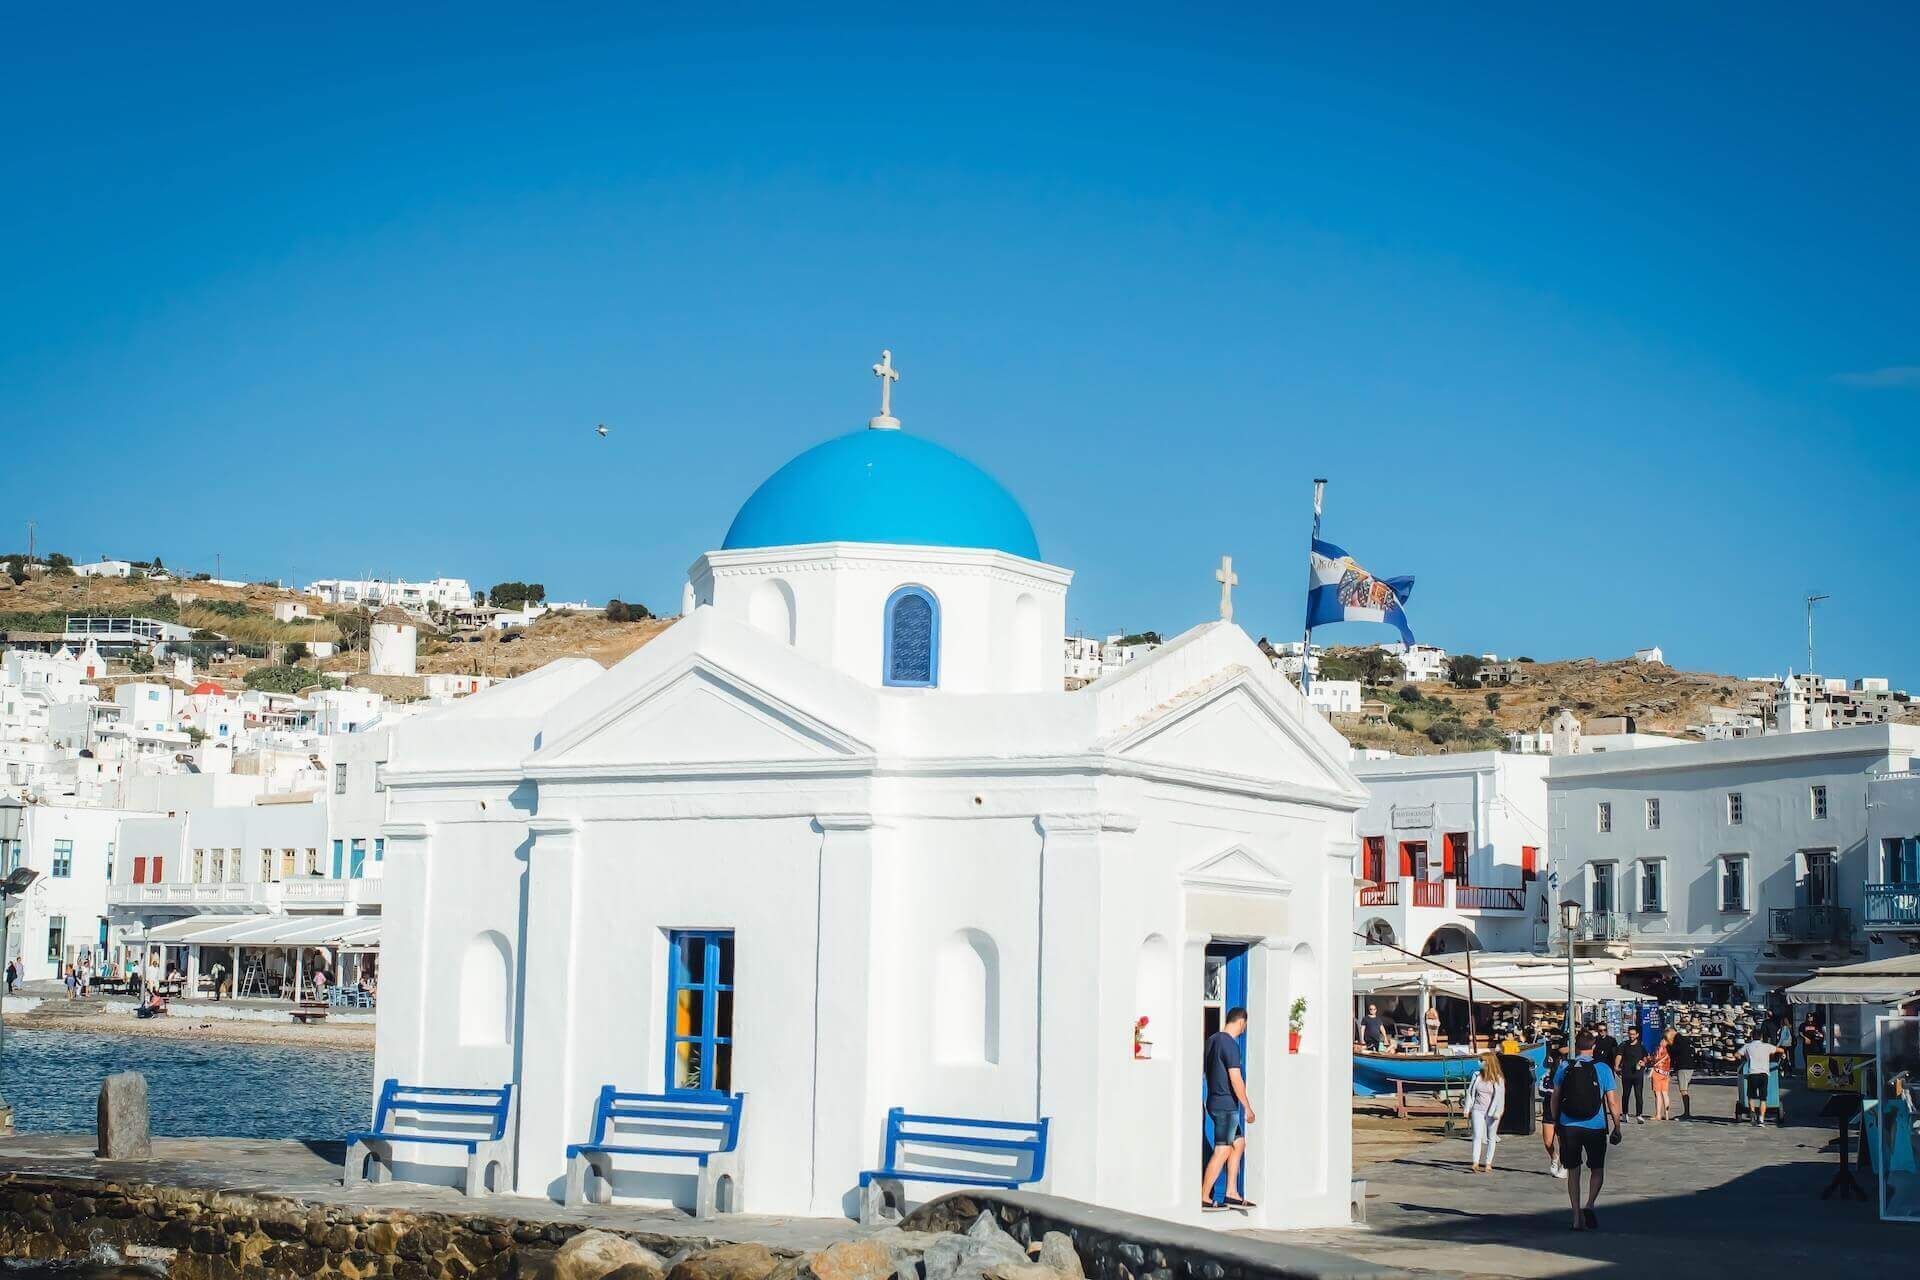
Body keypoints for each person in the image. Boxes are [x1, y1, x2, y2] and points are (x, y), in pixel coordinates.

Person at [1549, 1031, 1620, 1231]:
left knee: (1573, 1171)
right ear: (1594, 1047)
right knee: (1597, 1169)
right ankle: (1589, 1204)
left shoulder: (1565, 1066)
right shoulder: (1603, 1069)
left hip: (1569, 1126)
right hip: (1595, 1126)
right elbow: (1612, 1101)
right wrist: (1617, 1125)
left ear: (1576, 1046)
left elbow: (1555, 1097)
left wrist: (1556, 1121)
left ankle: (1576, 1218)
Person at [1201, 1007, 1257, 1211]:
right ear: (1241, 1022)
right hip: (1226, 1104)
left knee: (1238, 1143)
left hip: (1215, 1101)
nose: (1244, 1029)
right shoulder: (1230, 1044)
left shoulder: (1212, 1040)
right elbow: (1235, 1078)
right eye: (1245, 1025)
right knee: (1223, 1149)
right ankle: (1204, 1196)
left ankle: (1231, 1192)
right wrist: (1247, 1107)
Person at [1466, 1051, 1506, 1172]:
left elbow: (1500, 1097)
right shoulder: (1477, 1075)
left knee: (1491, 1137)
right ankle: (1475, 1162)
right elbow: (1470, 1092)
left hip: (1492, 1111)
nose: (1479, 1062)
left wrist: (1498, 1112)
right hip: (1478, 1109)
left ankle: (1488, 1163)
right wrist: (1467, 1108)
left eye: (1481, 1060)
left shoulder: (1498, 1078)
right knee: (1477, 1135)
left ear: (1488, 1062)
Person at [1739, 1033, 1784, 1126]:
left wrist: (1744, 1059)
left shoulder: (1747, 1046)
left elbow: (1737, 1054)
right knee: (1763, 1098)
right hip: (1764, 1074)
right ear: (1762, 1038)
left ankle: (1752, 1114)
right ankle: (1761, 1119)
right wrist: (1781, 1056)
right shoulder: (1766, 1046)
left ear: (1751, 1037)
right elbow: (1781, 1050)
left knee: (1751, 1096)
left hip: (1752, 1073)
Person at [1540, 1041, 1567, 1180]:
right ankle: (1554, 1157)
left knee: (1563, 1141)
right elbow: (1541, 1090)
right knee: (1547, 1141)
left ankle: (1564, 1164)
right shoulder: (1546, 1076)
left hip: (1563, 1112)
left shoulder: (1566, 1076)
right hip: (1548, 1111)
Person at [1616, 1026, 1649, 1123]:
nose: (1631, 1036)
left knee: (1638, 1095)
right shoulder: (1624, 1045)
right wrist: (1616, 1066)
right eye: (1630, 1034)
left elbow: (1646, 1057)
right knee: (1626, 1094)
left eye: (1633, 1034)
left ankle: (1639, 1115)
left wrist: (1644, 1063)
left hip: (1638, 1074)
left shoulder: (1641, 1046)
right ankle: (1625, 1114)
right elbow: (1619, 1055)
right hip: (1626, 1073)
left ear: (1637, 1035)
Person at [1669, 1026, 1697, 1119]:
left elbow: (1673, 1051)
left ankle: (1686, 1113)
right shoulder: (1687, 1040)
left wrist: (1668, 1045)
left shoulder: (1677, 1040)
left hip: (1683, 1067)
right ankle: (1686, 1112)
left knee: (1683, 1090)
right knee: (1684, 1089)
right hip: (1690, 1066)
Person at [1649, 1028, 1674, 1120]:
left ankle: (1658, 1115)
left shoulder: (1661, 1047)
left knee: (1658, 1094)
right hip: (1666, 1073)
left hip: (1658, 1072)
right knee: (1665, 1093)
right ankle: (1667, 1115)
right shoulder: (1671, 1047)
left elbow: (1656, 1059)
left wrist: (1650, 1059)